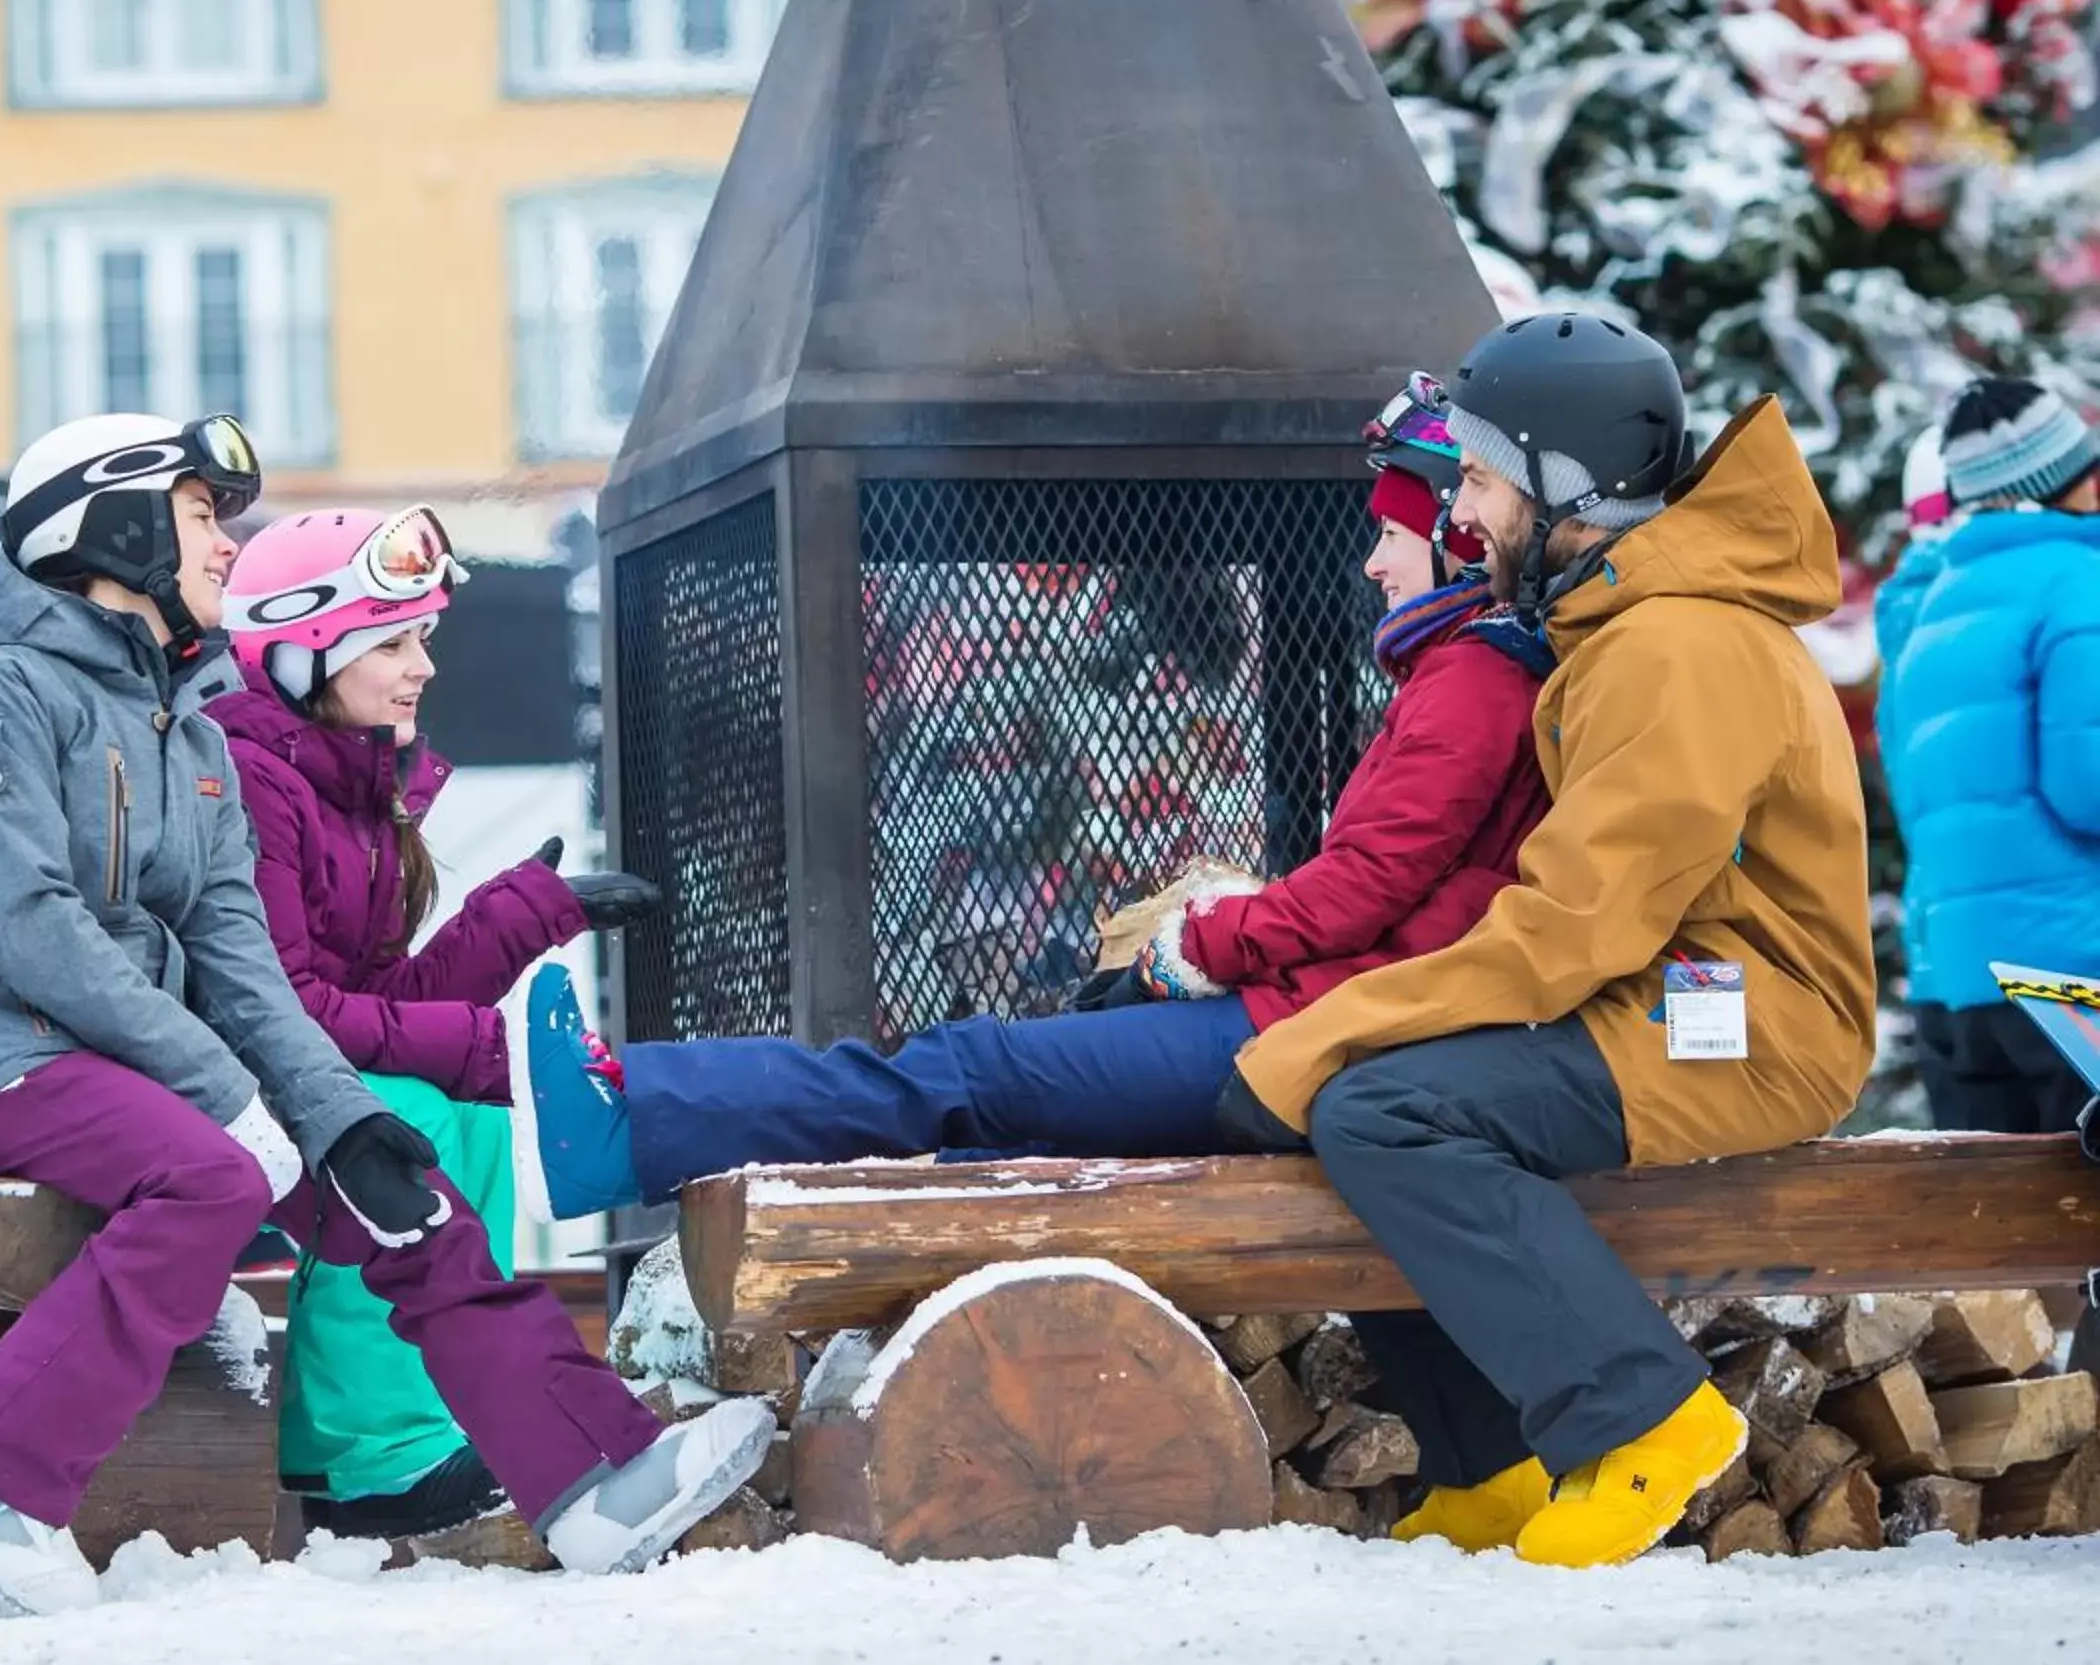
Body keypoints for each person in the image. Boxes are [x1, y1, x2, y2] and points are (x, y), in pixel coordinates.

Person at [0, 411, 768, 1612]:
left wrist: (337, 1118)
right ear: (114, 525)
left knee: (403, 1197)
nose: (227, 545)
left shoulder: (185, 725)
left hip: (138, 1069)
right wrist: (224, 1094)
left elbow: (241, 962)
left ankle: (593, 1482)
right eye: (201, 516)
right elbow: (27, 926)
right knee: (214, 1175)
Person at [510, 374, 1554, 1222]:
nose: (1373, 558)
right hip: (1317, 1023)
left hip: (1308, 1035)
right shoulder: (1472, 672)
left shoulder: (1473, 678)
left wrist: (1199, 941)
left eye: (1397, 531)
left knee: (969, 1067)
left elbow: (1367, 888)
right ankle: (646, 1123)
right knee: (990, 1093)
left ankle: (632, 1115)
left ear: (1463, 544)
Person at [1221, 313, 1873, 1569]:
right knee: (1358, 1097)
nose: (1461, 515)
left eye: (1475, 477)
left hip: (1749, 1020)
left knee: (1382, 1109)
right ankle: (1492, 1469)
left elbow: (1574, 924)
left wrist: (1324, 1028)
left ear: (1559, 479)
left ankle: (1646, 1420)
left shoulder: (1679, 646)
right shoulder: (1630, 624)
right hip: (1671, 993)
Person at [209, 504, 664, 1539]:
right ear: (304, 649)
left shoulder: (353, 787)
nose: (422, 666)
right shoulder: (253, 781)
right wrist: (461, 1046)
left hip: (293, 1063)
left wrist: (533, 910)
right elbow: (284, 1006)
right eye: (393, 641)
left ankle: (453, 1416)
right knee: (406, 1116)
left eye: (422, 638)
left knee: (468, 1113)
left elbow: (384, 999)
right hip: (218, 1078)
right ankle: (373, 1458)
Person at [1876, 379, 2100, 1134]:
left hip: (1966, 986)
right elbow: (2088, 786)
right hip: (2077, 983)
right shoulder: (2079, 586)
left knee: (2021, 1245)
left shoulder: (1929, 610)